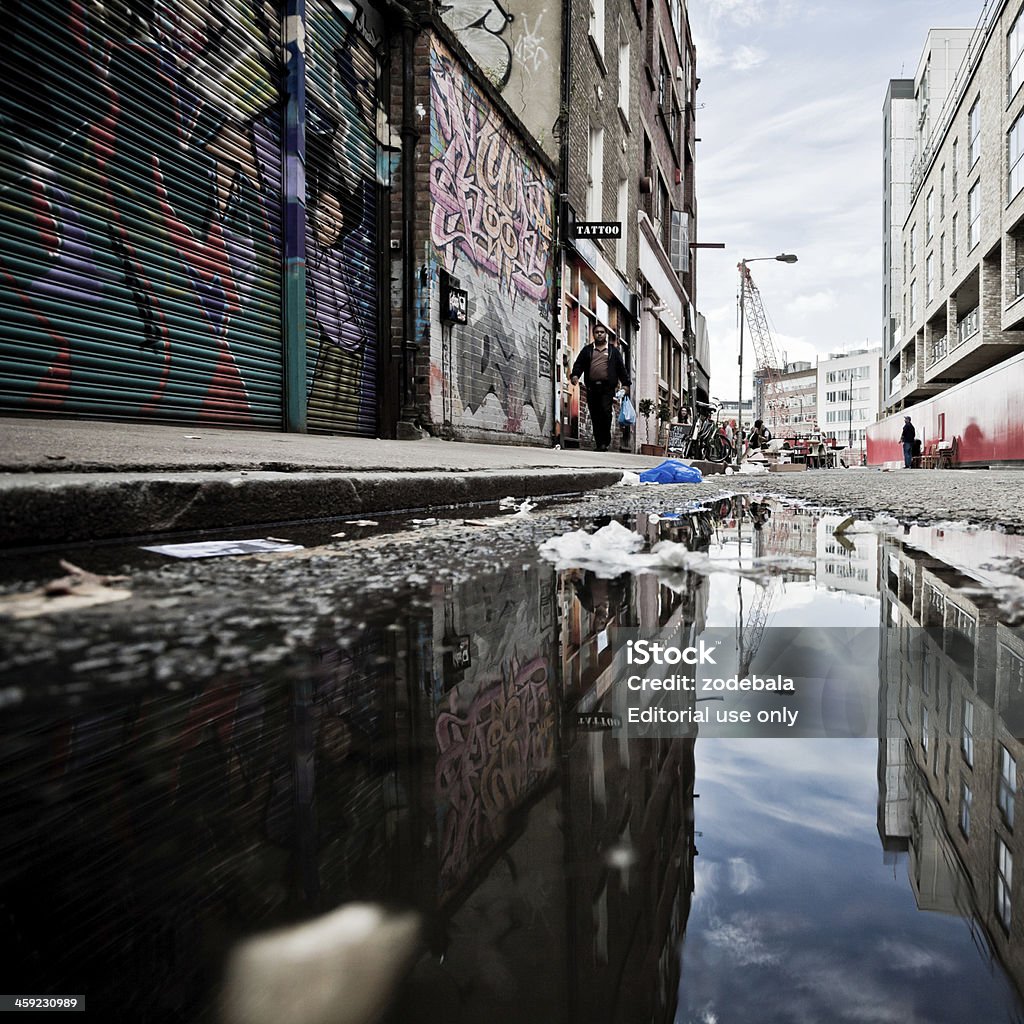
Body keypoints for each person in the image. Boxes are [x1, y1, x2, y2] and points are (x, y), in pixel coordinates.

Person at [570, 324, 631, 452]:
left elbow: (621, 368)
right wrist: (575, 375)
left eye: (602, 332)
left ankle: (605, 441)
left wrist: (626, 384)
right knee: (595, 414)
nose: (599, 334)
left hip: (607, 388)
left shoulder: (613, 351)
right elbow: (579, 364)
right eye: (597, 332)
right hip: (592, 388)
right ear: (593, 334)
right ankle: (599, 443)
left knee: (605, 412)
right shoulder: (587, 350)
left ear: (605, 335)